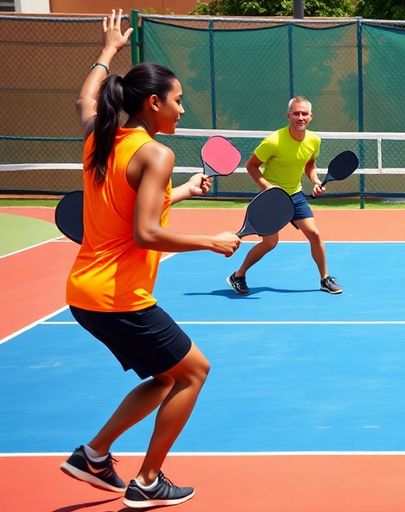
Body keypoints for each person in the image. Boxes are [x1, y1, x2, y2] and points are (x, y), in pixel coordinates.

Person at [59, 10, 241, 509]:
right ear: (154, 102)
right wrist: (212, 241)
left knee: (166, 377)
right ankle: (147, 480)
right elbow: (145, 233)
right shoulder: (155, 153)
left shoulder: (101, 137)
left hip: (85, 292)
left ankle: (93, 456)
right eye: (178, 101)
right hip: (119, 296)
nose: (182, 110)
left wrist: (108, 50)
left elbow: (84, 101)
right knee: (193, 372)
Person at [227, 96, 342, 295]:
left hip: (295, 195)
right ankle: (238, 275)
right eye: (296, 113)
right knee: (270, 243)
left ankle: (325, 279)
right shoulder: (273, 141)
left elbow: (309, 164)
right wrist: (267, 187)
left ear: (311, 116)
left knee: (314, 234)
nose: (300, 117)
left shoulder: (314, 140)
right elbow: (251, 166)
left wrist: (315, 180)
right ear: (288, 115)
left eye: (304, 113)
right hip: (272, 198)